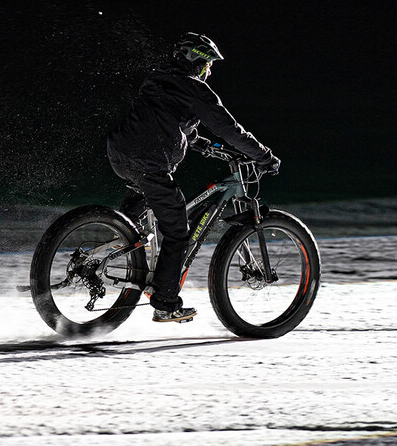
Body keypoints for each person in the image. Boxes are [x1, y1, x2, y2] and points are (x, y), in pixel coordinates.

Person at [106, 32, 281, 323]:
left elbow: (167, 118)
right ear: (198, 63)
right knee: (177, 229)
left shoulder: (158, 77)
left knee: (147, 192)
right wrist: (264, 155)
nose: (209, 71)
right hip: (149, 160)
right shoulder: (196, 90)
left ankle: (121, 231)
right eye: (208, 64)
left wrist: (201, 145)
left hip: (119, 153)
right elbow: (229, 129)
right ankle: (165, 303)